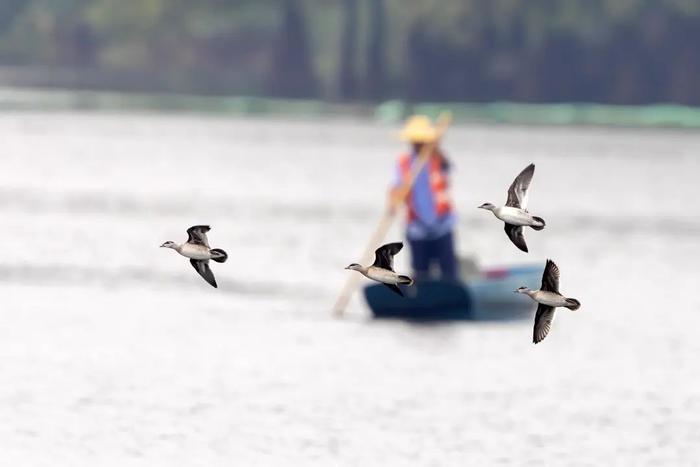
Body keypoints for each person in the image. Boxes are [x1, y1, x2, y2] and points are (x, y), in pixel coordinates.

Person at [388, 115, 458, 281]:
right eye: (415, 141)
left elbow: (447, 168)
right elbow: (395, 187)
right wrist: (393, 204)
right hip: (417, 228)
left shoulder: (437, 159)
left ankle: (449, 297)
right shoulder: (404, 163)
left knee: (448, 272)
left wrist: (435, 148)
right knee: (421, 273)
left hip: (441, 225)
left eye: (421, 141)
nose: (418, 145)